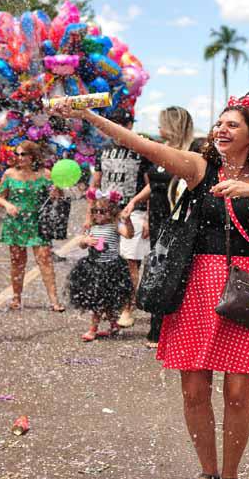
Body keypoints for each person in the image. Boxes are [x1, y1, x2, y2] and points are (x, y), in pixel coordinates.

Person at [51, 93, 249, 479]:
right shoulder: (200, 166)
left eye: (232, 125)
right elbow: (139, 143)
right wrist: (89, 115)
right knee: (194, 390)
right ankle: (207, 473)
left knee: (238, 394)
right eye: (219, 123)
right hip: (196, 287)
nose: (221, 129)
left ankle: (231, 476)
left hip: (248, 288)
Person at [123, 106, 195, 348]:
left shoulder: (188, 153)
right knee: (156, 271)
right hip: (156, 221)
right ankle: (157, 329)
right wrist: (134, 202)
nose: (158, 126)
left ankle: (169, 330)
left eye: (162, 122)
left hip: (174, 222)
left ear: (173, 125)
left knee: (171, 273)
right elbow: (154, 184)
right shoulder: (161, 149)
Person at [90, 109, 152, 328]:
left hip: (134, 212)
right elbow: (96, 183)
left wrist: (148, 217)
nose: (117, 129)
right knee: (108, 261)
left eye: (122, 125)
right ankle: (112, 306)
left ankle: (128, 308)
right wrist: (90, 215)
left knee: (130, 261)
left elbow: (151, 185)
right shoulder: (103, 150)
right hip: (107, 214)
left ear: (129, 126)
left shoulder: (141, 148)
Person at [0, 140, 64, 312]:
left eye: (23, 154)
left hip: (38, 222)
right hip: (16, 223)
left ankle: (54, 300)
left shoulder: (45, 174)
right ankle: (16, 298)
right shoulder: (9, 174)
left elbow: (57, 197)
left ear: (33, 156)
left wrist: (57, 192)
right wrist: (7, 205)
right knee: (17, 262)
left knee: (45, 259)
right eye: (17, 154)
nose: (19, 157)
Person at [69, 190, 134, 341]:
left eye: (102, 211)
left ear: (111, 212)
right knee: (98, 301)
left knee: (106, 302)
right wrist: (85, 241)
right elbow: (82, 245)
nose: (98, 214)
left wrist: (128, 221)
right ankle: (110, 327)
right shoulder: (91, 228)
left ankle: (97, 329)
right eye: (95, 211)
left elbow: (129, 234)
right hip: (94, 269)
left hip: (111, 269)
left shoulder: (114, 226)